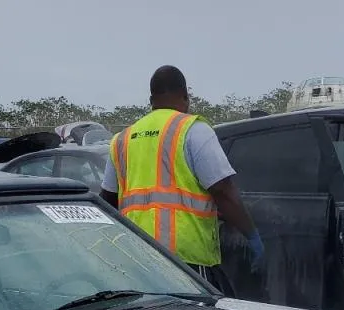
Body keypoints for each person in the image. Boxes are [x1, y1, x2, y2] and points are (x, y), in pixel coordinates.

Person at [100, 65, 264, 291]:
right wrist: (252, 235)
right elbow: (224, 191)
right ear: (186, 96)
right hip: (186, 262)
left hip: (137, 260)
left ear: (151, 99)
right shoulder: (193, 130)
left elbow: (107, 200)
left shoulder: (122, 139)